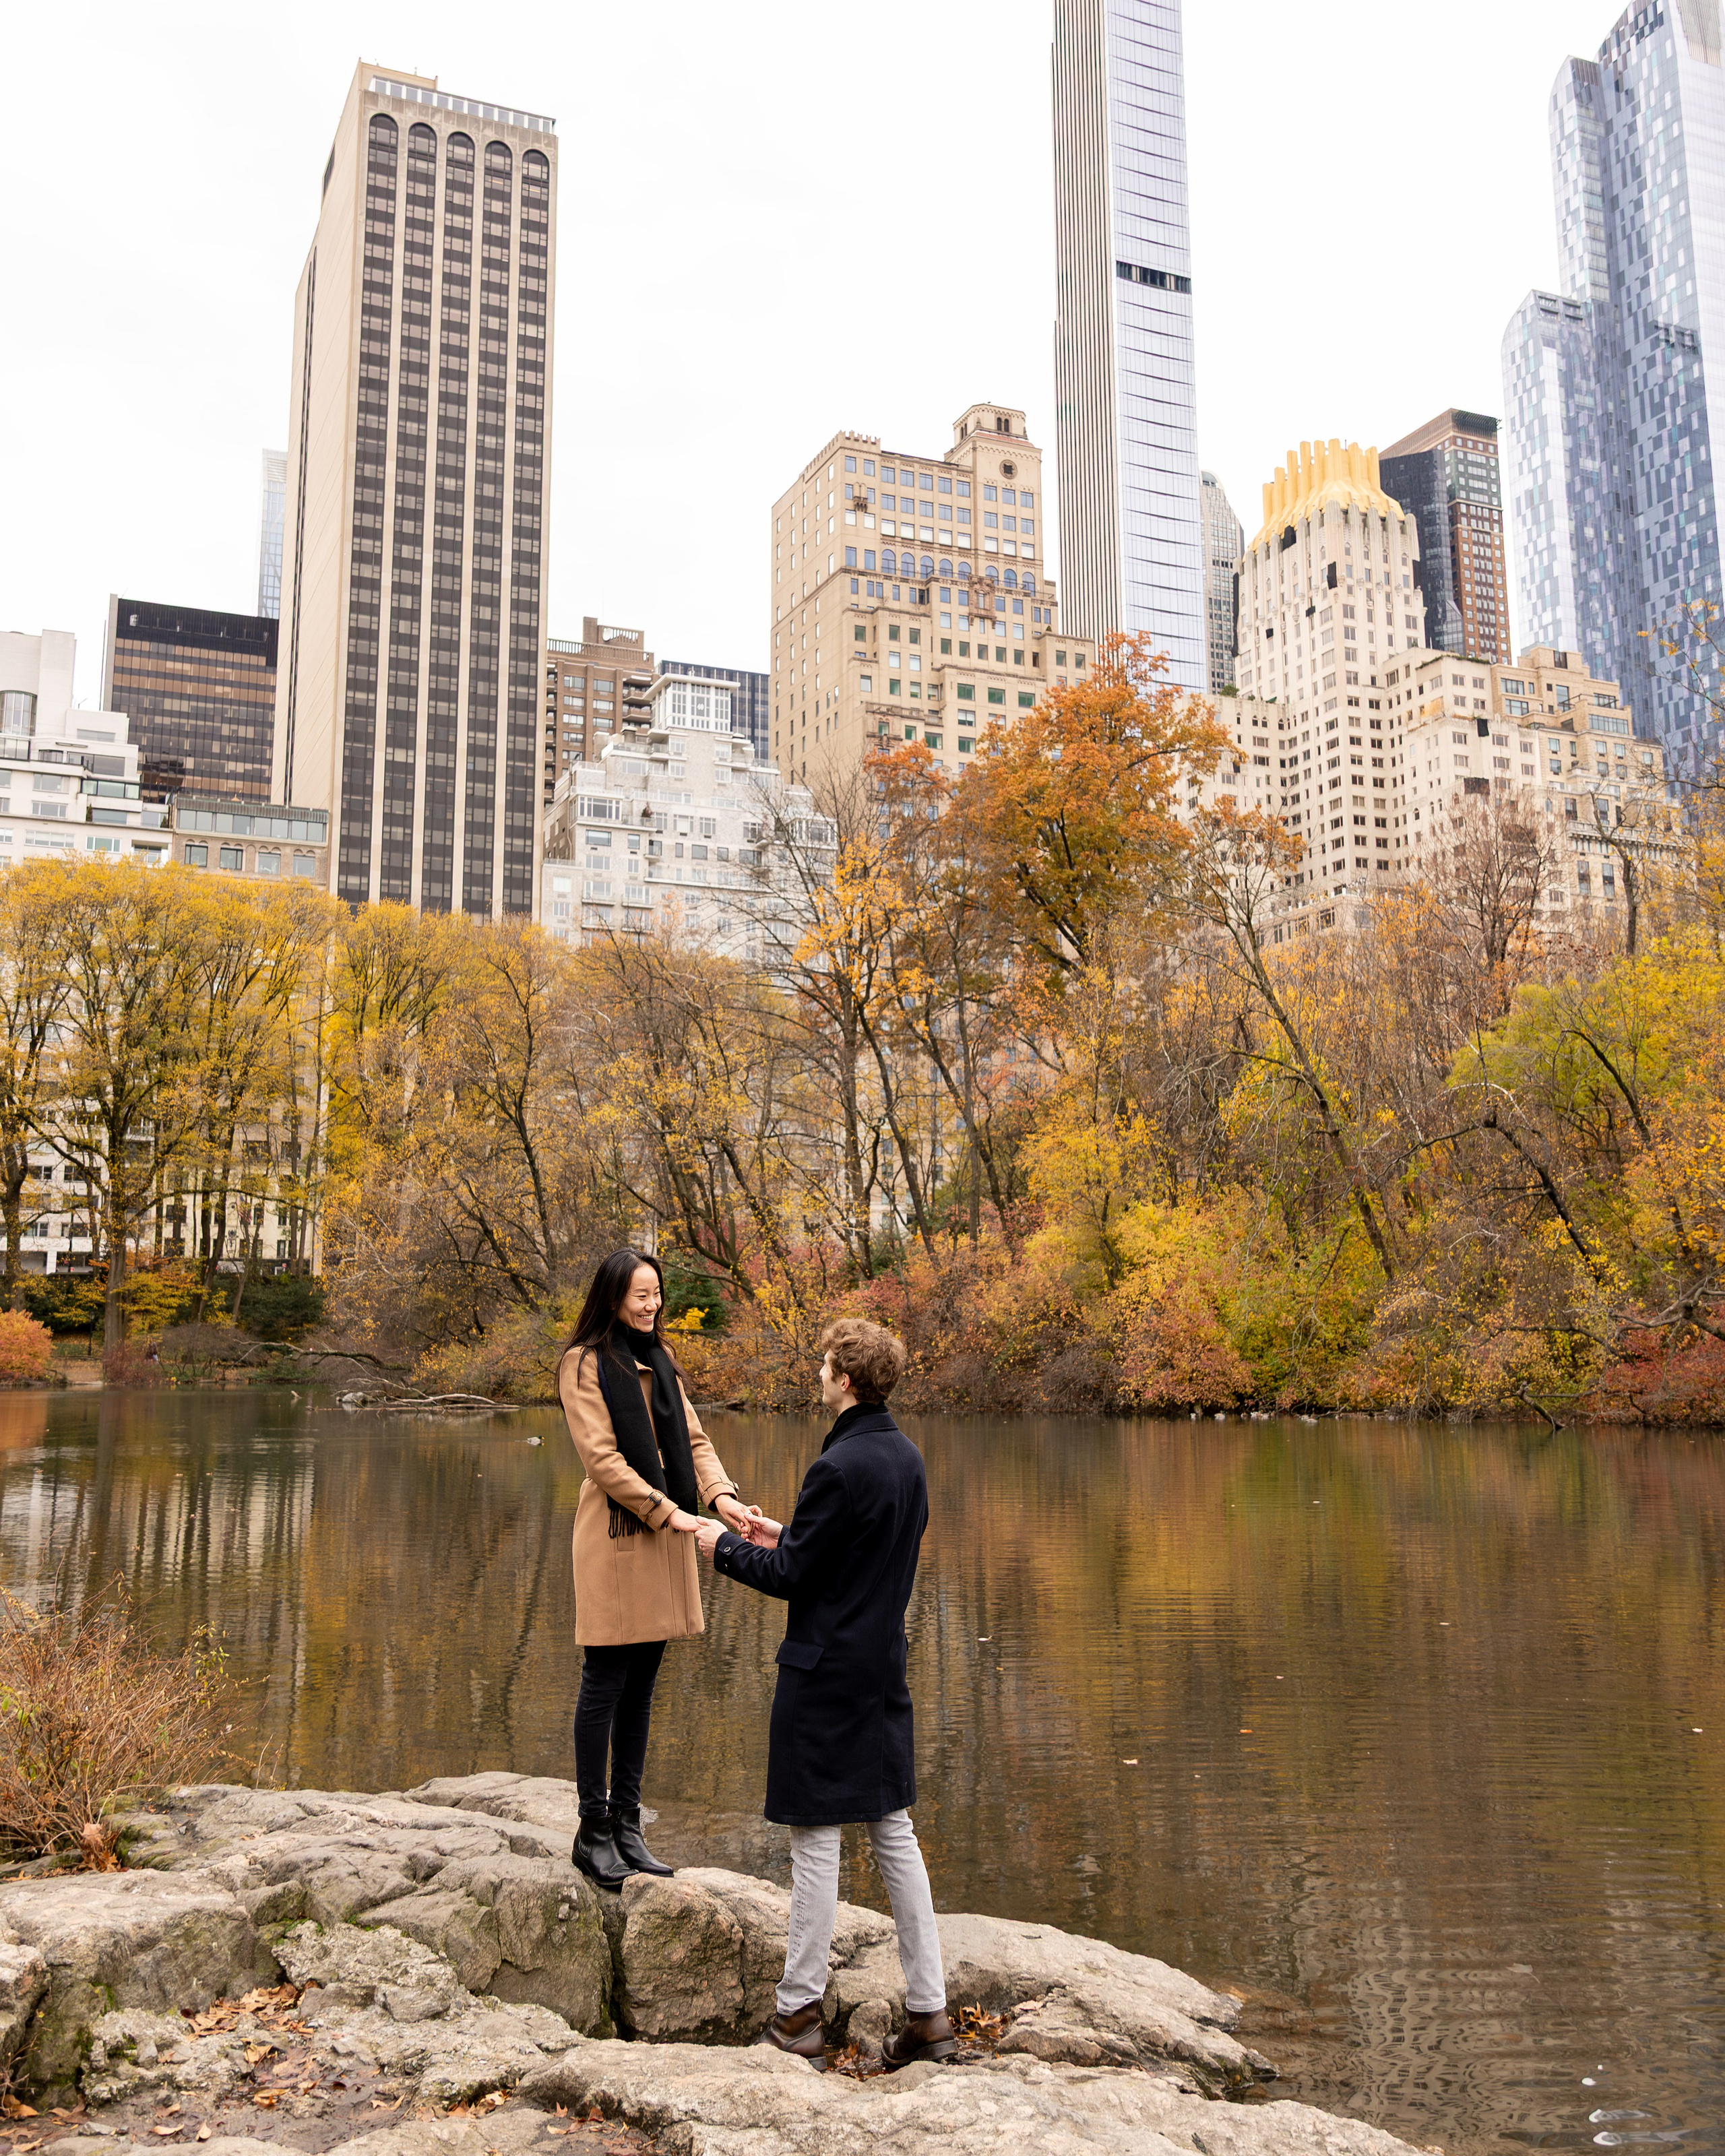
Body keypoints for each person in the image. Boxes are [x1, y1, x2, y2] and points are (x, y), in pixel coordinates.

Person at [685, 1317, 953, 2071]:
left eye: (823, 1362)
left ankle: (798, 2012)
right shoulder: (906, 1456)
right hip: (880, 1668)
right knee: (893, 1830)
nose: (818, 1371)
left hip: (823, 1673)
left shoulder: (837, 1465)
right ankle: (930, 2014)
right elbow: (851, 1559)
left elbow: (793, 1578)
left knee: (817, 1837)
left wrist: (724, 1546)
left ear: (843, 1377)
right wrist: (787, 1534)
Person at [559, 1247, 753, 1889]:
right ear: (613, 1297)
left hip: (669, 1528)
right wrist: (671, 1514)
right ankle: (592, 1830)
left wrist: (724, 1500)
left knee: (642, 1686)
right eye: (641, 1295)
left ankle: (628, 1825)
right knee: (605, 1679)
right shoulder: (583, 1364)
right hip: (622, 1533)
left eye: (657, 1294)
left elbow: (694, 1442)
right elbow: (602, 1461)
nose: (653, 1305)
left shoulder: (661, 1360)